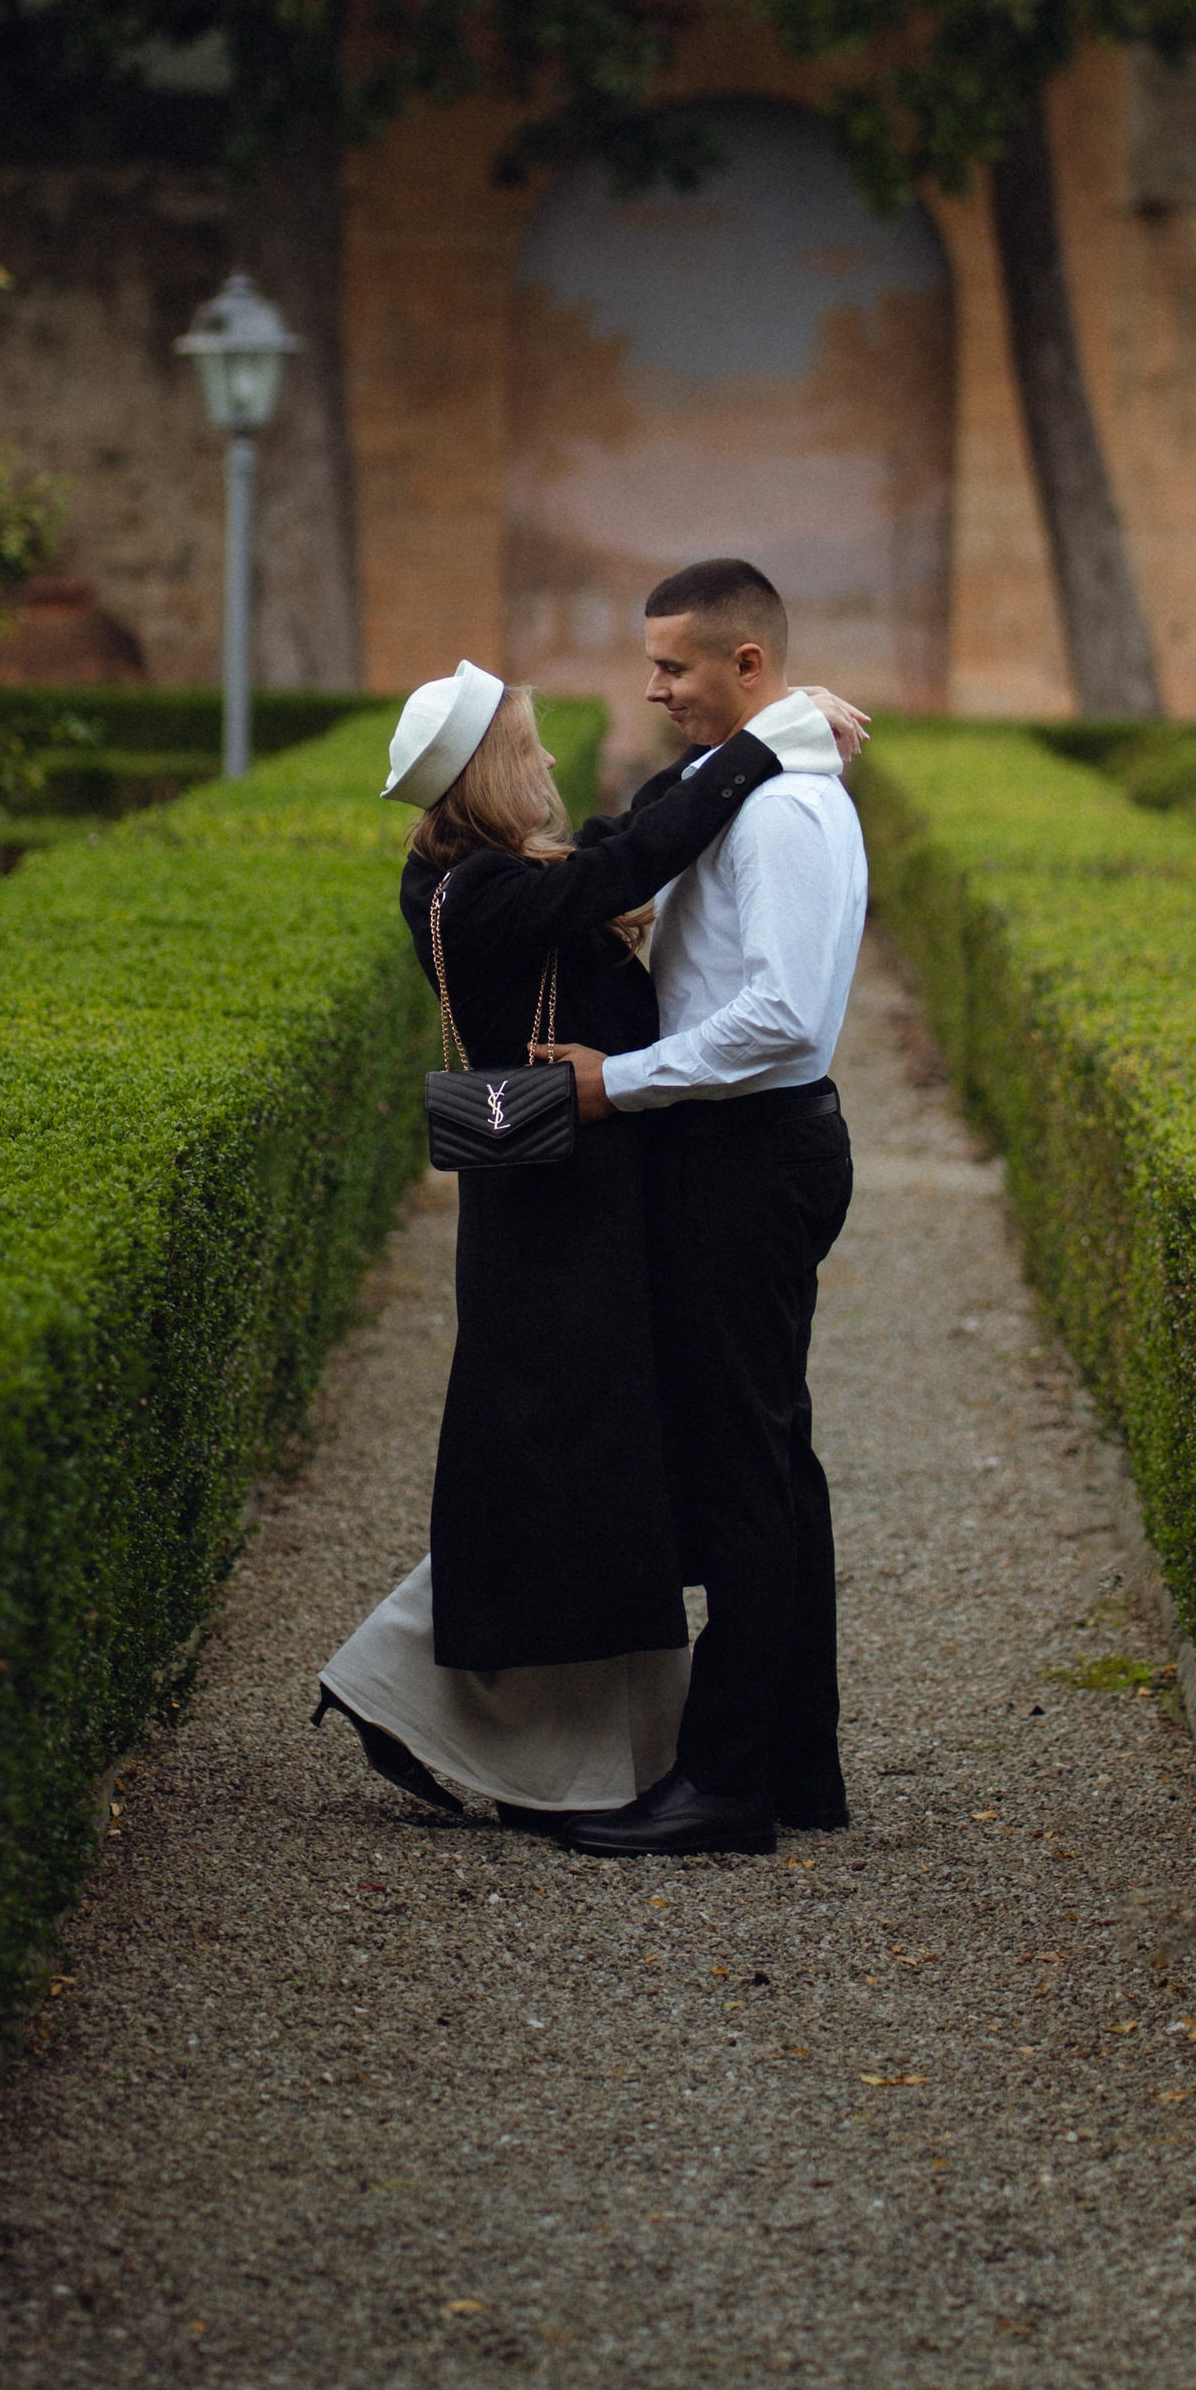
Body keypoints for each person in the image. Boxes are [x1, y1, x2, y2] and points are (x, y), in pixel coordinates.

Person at [315, 659, 853, 1822]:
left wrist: (743, 739)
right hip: (554, 1219)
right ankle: (402, 1688)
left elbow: (624, 828)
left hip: (586, 1199)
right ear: (488, 771)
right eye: (531, 743)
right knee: (563, 1475)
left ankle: (529, 1728)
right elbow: (624, 860)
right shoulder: (479, 893)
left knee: (585, 1477)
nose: (553, 761)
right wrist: (762, 746)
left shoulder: (495, 875)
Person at [537, 559, 870, 1861]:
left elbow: (783, 1017)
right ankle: (792, 1762)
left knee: (745, 1470)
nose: (653, 686)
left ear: (749, 665)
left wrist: (617, 1083)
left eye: (675, 665)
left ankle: (726, 1782)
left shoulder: (785, 812)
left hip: (751, 1153)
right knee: (771, 1461)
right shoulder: (758, 784)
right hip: (744, 1149)